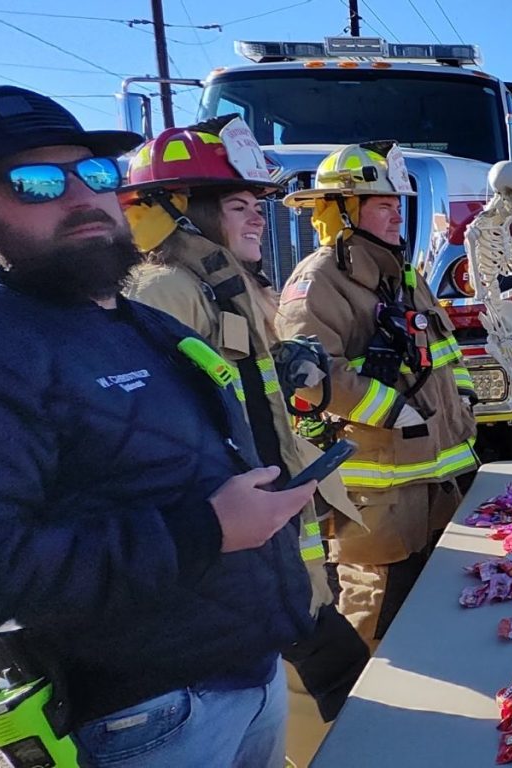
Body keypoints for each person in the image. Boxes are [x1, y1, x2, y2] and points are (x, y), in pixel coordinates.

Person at [0, 86, 320, 768]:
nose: (80, 197)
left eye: (95, 174)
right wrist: (206, 529)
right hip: (144, 718)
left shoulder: (140, 325)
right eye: (34, 183)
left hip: (250, 676)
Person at [117, 118, 369, 764]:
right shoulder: (163, 292)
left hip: (270, 548)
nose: (257, 218)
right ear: (180, 213)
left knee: (327, 682)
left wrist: (289, 372)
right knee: (337, 679)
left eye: (257, 205)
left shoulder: (225, 285)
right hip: (236, 563)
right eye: (238, 206)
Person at [275, 142, 478, 650]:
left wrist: (465, 403)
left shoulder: (402, 277)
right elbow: (314, 375)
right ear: (343, 209)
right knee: (373, 611)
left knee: (436, 600)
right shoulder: (318, 280)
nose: (395, 216)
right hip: (376, 490)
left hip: (435, 475)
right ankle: (353, 723)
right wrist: (397, 412)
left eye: (396, 205)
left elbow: (445, 349)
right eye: (382, 205)